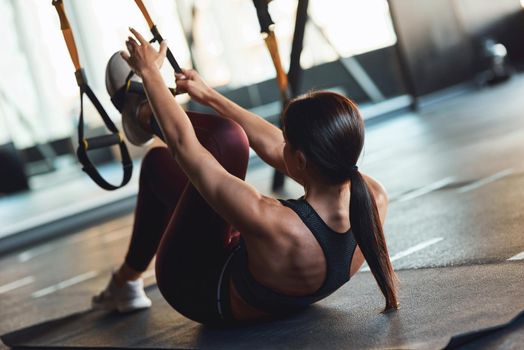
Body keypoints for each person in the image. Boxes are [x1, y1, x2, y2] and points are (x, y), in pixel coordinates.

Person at [92, 28, 399, 325]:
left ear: (302, 159)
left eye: (288, 143)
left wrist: (149, 76)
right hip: (270, 278)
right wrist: (210, 96)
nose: (282, 145)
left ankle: (142, 113)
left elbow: (185, 145)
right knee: (161, 162)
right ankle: (126, 282)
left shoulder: (275, 222)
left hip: (195, 289)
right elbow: (273, 144)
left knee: (222, 142)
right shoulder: (373, 194)